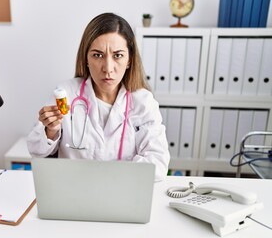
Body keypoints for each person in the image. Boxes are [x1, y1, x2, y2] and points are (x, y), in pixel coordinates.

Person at [27, 12, 170, 181]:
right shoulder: (66, 93)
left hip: (122, 193)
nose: (108, 68)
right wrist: (50, 130)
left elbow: (158, 165)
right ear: (86, 58)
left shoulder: (143, 102)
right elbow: (36, 150)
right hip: (72, 193)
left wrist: (110, 173)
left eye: (118, 55)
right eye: (97, 55)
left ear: (129, 59)